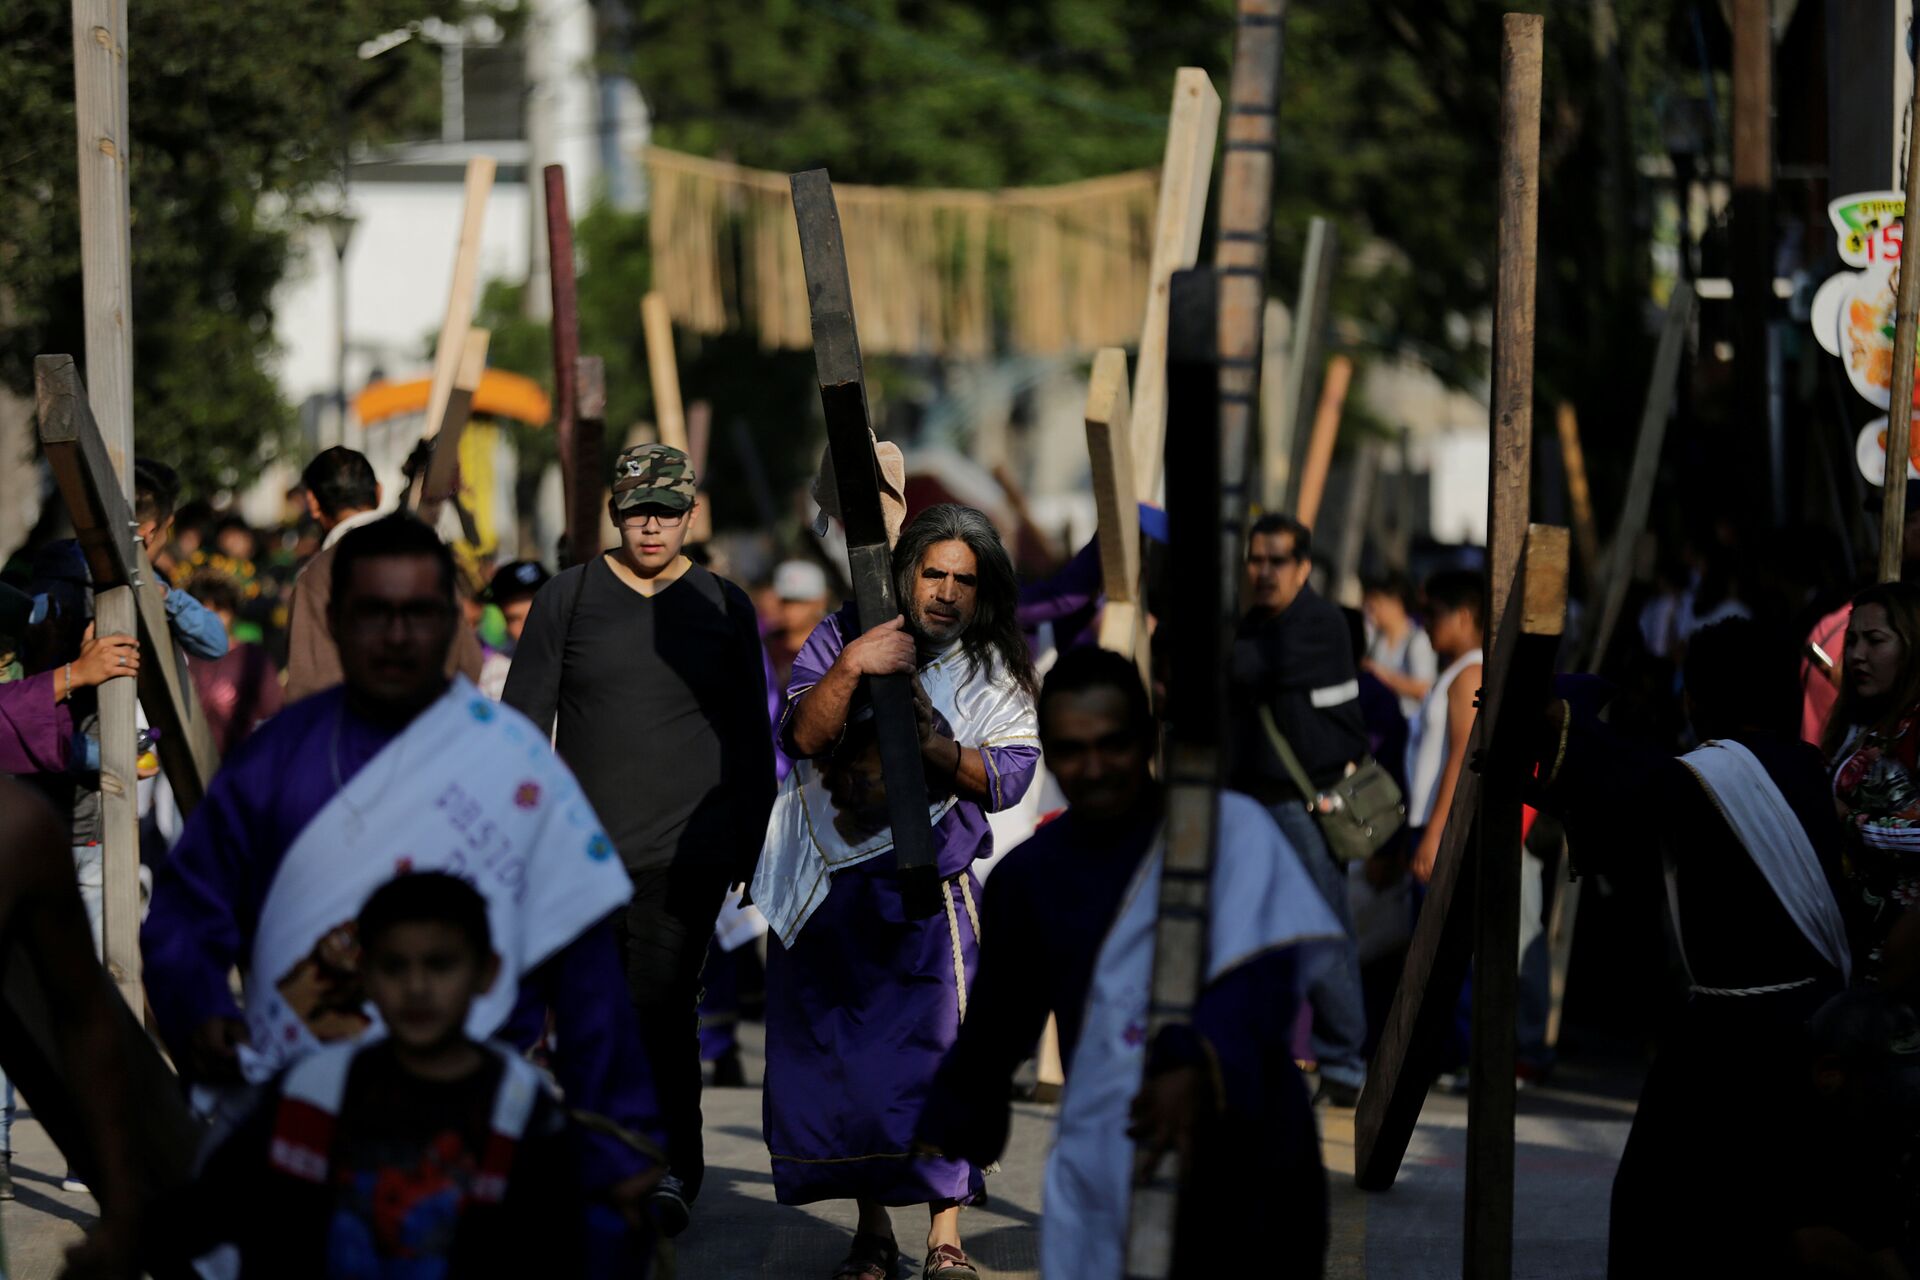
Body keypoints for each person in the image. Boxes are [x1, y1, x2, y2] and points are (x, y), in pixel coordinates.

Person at [142, 513, 664, 1233]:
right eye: (374, 613)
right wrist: (200, 1008)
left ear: (453, 621)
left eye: (418, 613)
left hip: (478, 1140)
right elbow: (186, 912)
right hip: (301, 1132)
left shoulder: (517, 766)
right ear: (336, 621)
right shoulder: (276, 758)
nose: (397, 635)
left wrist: (619, 1137)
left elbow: (589, 976)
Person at [915, 648, 1337, 1278]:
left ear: (1146, 735)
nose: (1093, 768)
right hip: (1107, 1161)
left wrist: (1194, 1060)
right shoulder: (1030, 878)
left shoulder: (1230, 832)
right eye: (1071, 750)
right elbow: (999, 1025)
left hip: (1245, 1160)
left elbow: (1266, 981)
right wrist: (958, 1106)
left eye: (1111, 744)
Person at [753, 503, 1040, 1280]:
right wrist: (856, 663)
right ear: (904, 573)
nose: (945, 592)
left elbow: (1008, 778)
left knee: (939, 1062)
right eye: (933, 573)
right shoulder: (845, 632)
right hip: (831, 888)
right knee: (848, 1073)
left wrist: (936, 748)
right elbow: (802, 736)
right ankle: (872, 1229)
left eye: (963, 580)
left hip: (929, 896)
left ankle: (945, 1233)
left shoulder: (990, 665)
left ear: (982, 590)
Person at [502, 444, 774, 1235]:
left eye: (666, 510)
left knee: (660, 1007)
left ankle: (670, 1165)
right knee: (592, 1017)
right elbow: (521, 730)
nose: (650, 526)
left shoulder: (723, 604)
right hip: (580, 859)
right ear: (614, 515)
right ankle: (604, 1158)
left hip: (686, 856)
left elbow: (748, 736)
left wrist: (752, 844)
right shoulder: (568, 598)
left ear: (691, 513)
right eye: (635, 511)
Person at [1528, 618, 1853, 1277]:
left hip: (1729, 1043)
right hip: (1818, 1028)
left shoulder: (1706, 781)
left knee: (1664, 1213)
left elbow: (1618, 784)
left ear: (1697, 699)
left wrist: (1555, 722)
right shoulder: (1815, 768)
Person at [189, 872, 607, 1277]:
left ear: (487, 973)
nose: (417, 987)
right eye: (394, 967)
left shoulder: (518, 1109)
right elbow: (209, 1215)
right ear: (365, 976)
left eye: (440, 965)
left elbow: (557, 1251)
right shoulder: (313, 1090)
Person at [1230, 513, 1371, 1106]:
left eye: (1277, 561)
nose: (1264, 572)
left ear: (1304, 567)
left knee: (1320, 930)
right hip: (1253, 802)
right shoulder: (1256, 624)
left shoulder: (1317, 624)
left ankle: (1344, 1066)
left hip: (1302, 805)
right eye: (1256, 560)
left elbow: (1244, 667)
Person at [0, 778, 146, 1276]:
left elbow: (83, 1021)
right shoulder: (21, 823)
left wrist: (122, 1203)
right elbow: (82, 1019)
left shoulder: (20, 825)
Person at [285, 446, 482, 702]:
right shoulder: (425, 557)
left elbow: (309, 687)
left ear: (312, 502)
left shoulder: (318, 575)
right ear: (379, 492)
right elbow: (468, 661)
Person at [1824, 581, 1920, 980]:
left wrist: (1850, 822)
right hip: (1853, 952)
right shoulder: (1860, 725)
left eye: (1875, 640)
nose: (1856, 655)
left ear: (1912, 646)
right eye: (1852, 640)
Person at [1406, 571, 1485, 884]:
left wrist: (1436, 833)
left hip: (1438, 826)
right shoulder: (1455, 671)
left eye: (1433, 613)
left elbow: (1462, 752)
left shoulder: (1470, 673)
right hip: (1426, 821)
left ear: (1464, 615)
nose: (1425, 623)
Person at [184, 568, 283, 757]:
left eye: (219, 609)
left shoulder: (252, 658)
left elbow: (274, 715)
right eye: (201, 609)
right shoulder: (180, 655)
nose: (210, 617)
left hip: (238, 762)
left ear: (233, 613)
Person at [1362, 572, 1437, 719]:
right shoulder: (1377, 638)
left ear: (1396, 604)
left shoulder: (1418, 640)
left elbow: (1423, 689)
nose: (1372, 609)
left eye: (1378, 602)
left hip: (1408, 721)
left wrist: (1379, 674)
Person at [476, 559, 549, 699]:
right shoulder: (493, 679)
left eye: (537, 611)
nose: (528, 625)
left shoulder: (586, 658)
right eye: (514, 619)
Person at [765, 559, 831, 694]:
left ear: (820, 602)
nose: (789, 609)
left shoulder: (835, 647)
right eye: (786, 601)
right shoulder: (766, 646)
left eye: (799, 601)